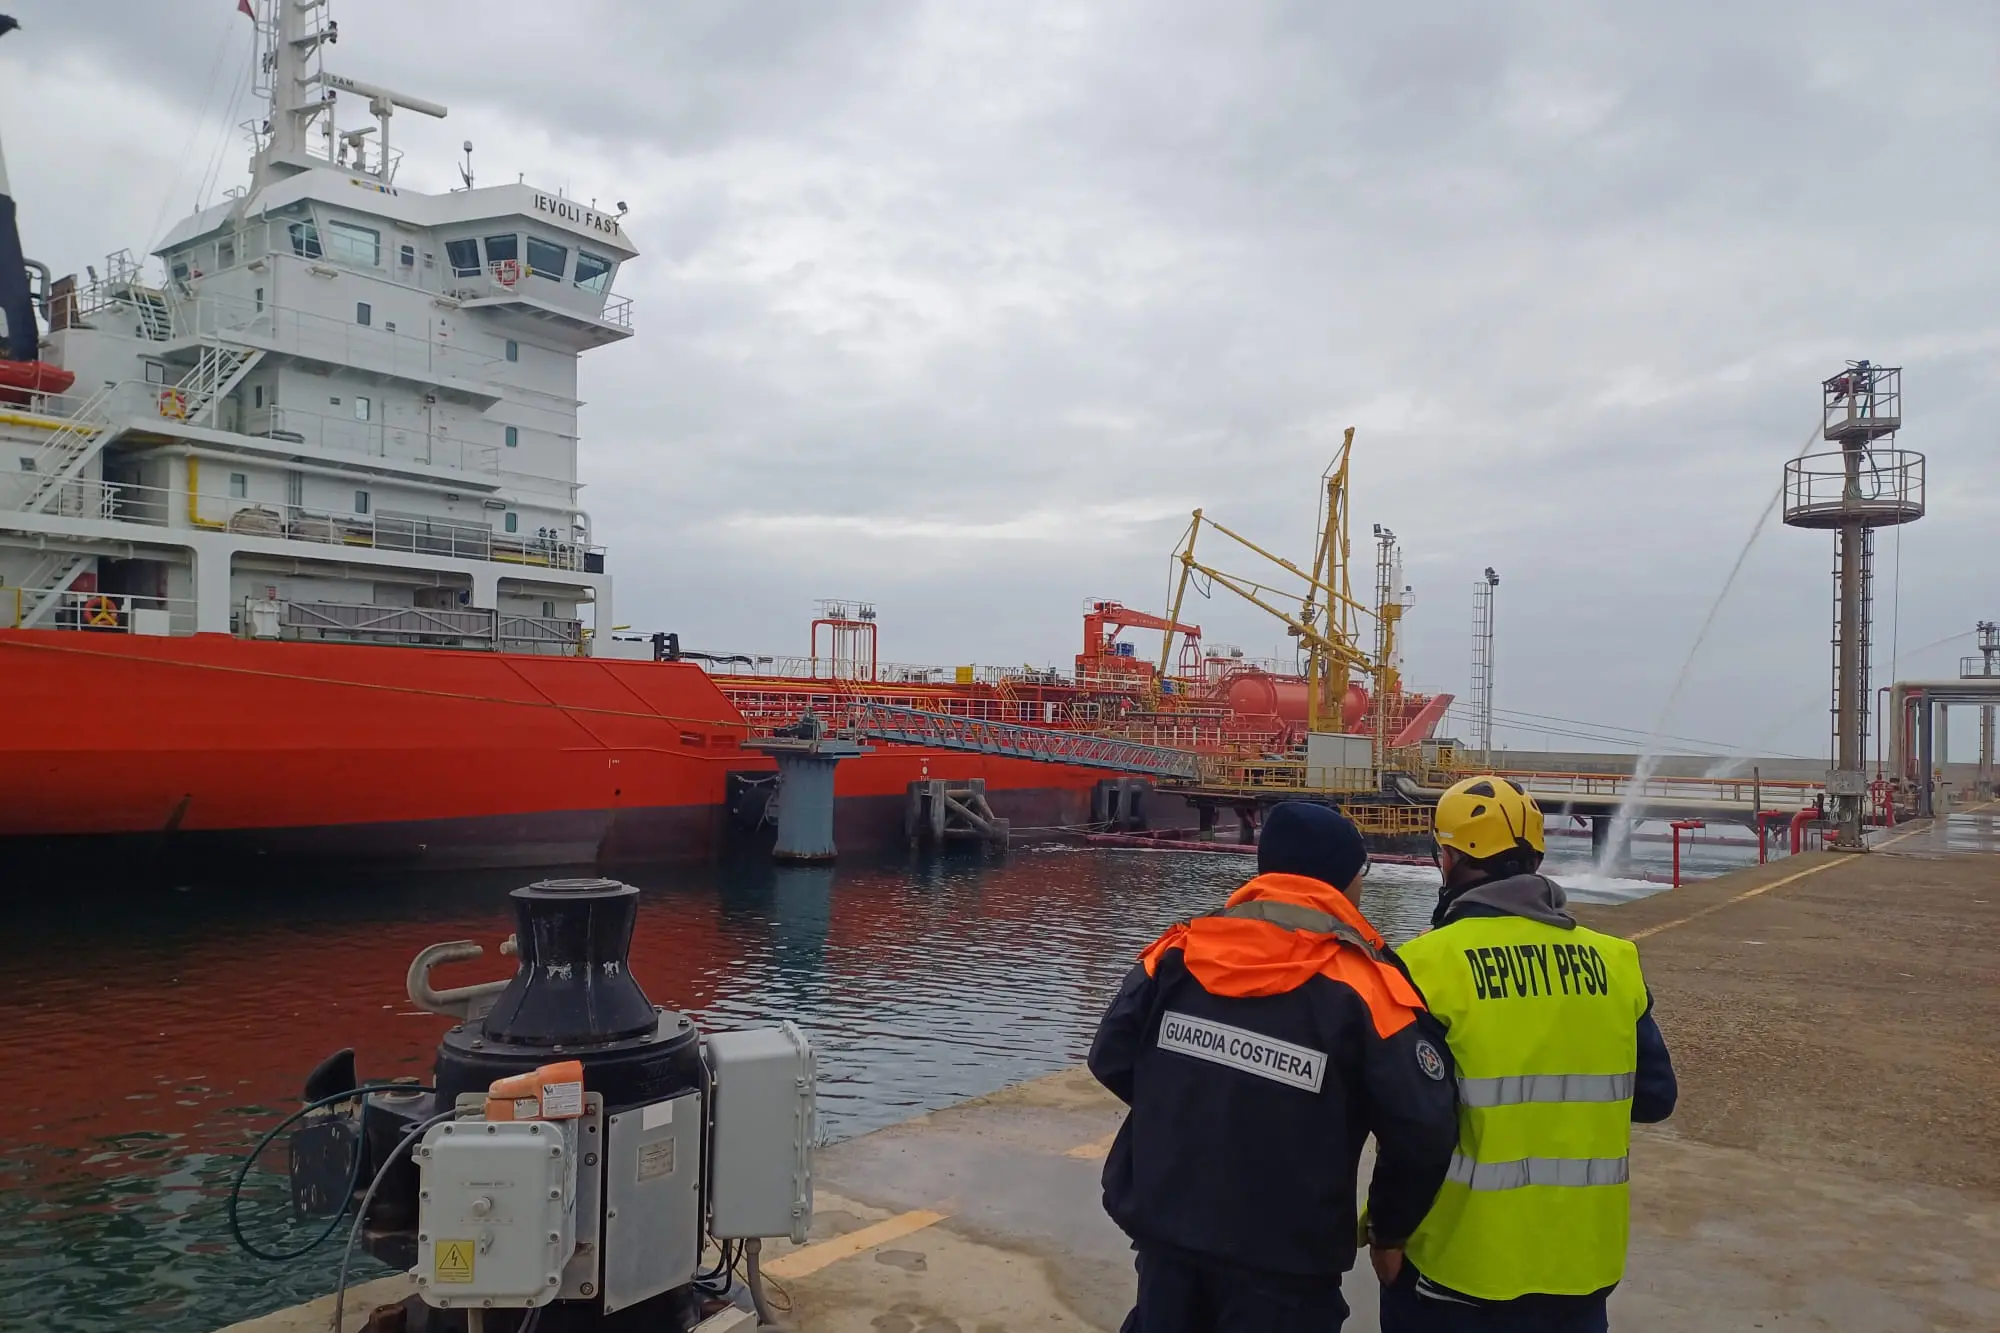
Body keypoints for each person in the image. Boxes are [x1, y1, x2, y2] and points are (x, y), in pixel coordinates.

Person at [1089, 801, 1460, 1332]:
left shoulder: (1179, 951)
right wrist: (1390, 1231)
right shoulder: (1366, 987)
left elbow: (1111, 1058)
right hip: (1286, 1261)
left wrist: (1200, 1109)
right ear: (1343, 881)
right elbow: (1423, 1127)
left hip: (1167, 1233)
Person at [1375, 775, 1679, 1333]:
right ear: (1536, 855)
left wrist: (1387, 1233)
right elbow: (1656, 1099)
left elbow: (1413, 1129)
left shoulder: (1423, 966)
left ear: (1447, 858)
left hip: (1457, 1274)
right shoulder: (1615, 962)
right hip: (1580, 1269)